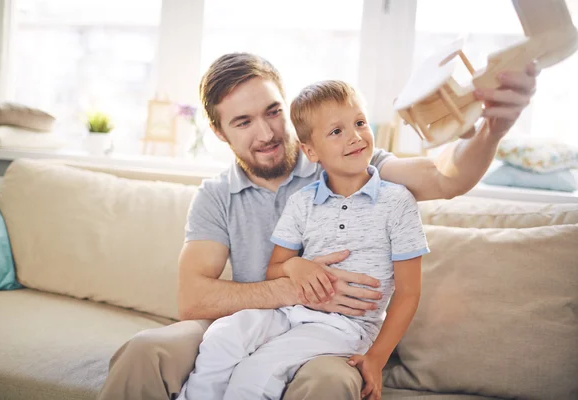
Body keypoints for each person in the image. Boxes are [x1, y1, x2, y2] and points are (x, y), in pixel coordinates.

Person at [97, 52, 538, 400]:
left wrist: (491, 131)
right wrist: (302, 282)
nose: (266, 132)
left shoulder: (347, 163)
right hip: (254, 321)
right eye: (243, 122)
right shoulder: (216, 195)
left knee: (325, 384)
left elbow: (445, 177)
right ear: (219, 132)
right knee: (144, 352)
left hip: (332, 333)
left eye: (272, 112)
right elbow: (193, 300)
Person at [176, 79, 428, 400]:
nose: (354, 136)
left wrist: (377, 358)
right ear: (311, 151)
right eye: (336, 131)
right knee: (222, 336)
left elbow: (409, 293)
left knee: (257, 371)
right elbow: (275, 269)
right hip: (290, 312)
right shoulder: (303, 201)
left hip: (347, 328)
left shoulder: (397, 202)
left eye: (360, 123)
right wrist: (296, 266)